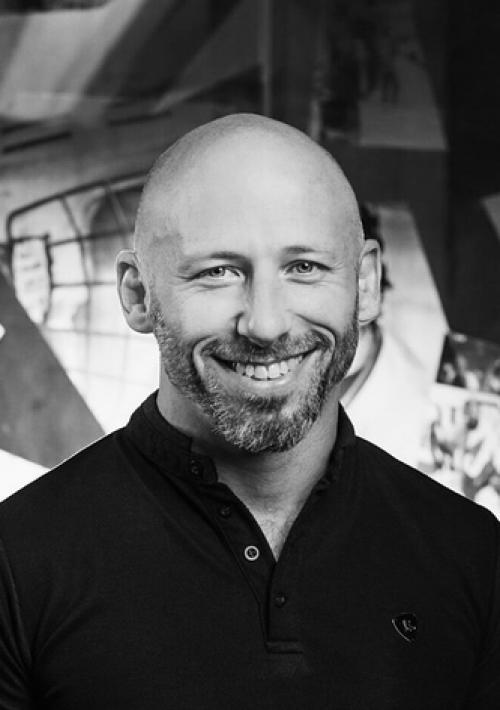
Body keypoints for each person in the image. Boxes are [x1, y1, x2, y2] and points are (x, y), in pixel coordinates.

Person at [0, 114, 499, 709]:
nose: (265, 324)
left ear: (365, 283)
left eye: (304, 267)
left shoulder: (473, 555)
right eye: (218, 272)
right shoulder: (15, 560)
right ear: (137, 294)